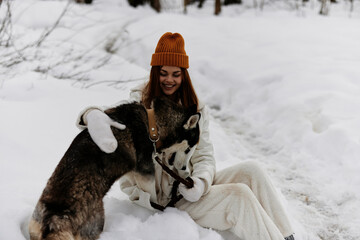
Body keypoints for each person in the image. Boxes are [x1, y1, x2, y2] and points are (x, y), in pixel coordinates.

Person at [76, 32, 295, 240]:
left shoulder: (195, 109)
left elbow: (205, 155)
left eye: (175, 74)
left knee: (251, 171)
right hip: (161, 200)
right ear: (155, 72)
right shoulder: (140, 107)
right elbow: (105, 118)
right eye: (163, 73)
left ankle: (287, 236)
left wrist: (200, 182)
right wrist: (91, 114)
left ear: (184, 74)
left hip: (186, 189)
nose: (169, 80)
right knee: (238, 196)